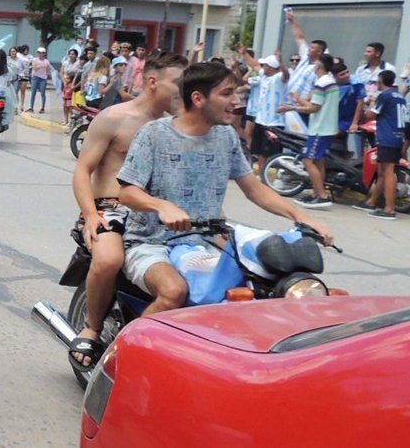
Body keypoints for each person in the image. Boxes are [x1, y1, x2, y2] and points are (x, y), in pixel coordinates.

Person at [117, 62, 335, 315]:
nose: (236, 101)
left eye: (236, 93)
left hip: (206, 243)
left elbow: (254, 189)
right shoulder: (154, 134)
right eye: (227, 93)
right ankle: (130, 341)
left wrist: (302, 218)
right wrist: (161, 206)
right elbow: (127, 193)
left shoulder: (226, 136)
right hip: (152, 243)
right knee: (174, 291)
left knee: (260, 289)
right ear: (198, 98)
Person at [67, 53, 187, 369]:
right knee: (109, 259)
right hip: (111, 208)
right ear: (152, 82)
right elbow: (83, 170)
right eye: (178, 82)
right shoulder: (114, 117)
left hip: (156, 213)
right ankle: (92, 328)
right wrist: (90, 216)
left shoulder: (177, 125)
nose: (184, 89)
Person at [280, 54, 339, 208]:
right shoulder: (330, 82)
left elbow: (314, 108)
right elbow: (314, 104)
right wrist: (298, 100)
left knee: (308, 161)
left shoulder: (322, 83)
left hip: (320, 129)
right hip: (326, 128)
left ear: (319, 65)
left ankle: (322, 195)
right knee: (319, 162)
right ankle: (316, 193)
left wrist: (291, 107)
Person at [355, 71, 405, 219]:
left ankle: (389, 209)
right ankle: (371, 201)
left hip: (388, 137)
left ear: (380, 82)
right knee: (382, 171)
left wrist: (369, 103)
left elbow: (370, 115)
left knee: (388, 171)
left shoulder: (385, 96)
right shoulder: (399, 96)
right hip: (397, 136)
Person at [282, 10, 326, 132]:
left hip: (301, 107)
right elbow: (299, 37)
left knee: (299, 134)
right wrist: (293, 21)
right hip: (288, 103)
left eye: (312, 48)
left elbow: (316, 89)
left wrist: (303, 100)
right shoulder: (305, 58)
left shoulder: (320, 68)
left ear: (319, 52)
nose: (309, 49)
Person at [26, 47, 55, 113]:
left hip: (43, 78)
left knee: (43, 93)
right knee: (33, 93)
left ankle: (42, 108)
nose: (40, 54)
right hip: (35, 77)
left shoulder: (46, 61)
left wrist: (48, 74)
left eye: (41, 53)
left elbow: (48, 69)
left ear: (44, 54)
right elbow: (34, 68)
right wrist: (41, 66)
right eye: (39, 52)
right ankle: (31, 108)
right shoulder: (34, 59)